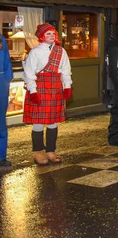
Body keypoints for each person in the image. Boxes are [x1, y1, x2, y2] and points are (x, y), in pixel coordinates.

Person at [23, 23, 72, 165]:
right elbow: (29, 73)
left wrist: (67, 86)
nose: (51, 36)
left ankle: (51, 150)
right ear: (41, 36)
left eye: (53, 33)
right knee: (38, 121)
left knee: (53, 121)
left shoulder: (61, 51)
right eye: (48, 34)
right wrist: (33, 91)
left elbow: (65, 70)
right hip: (40, 87)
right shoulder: (35, 52)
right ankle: (38, 152)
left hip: (55, 86)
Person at [0, 33, 13, 168]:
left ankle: (1, 156)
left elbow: (7, 61)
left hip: (1, 85)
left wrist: (6, 78)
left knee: (1, 123)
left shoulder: (1, 38)